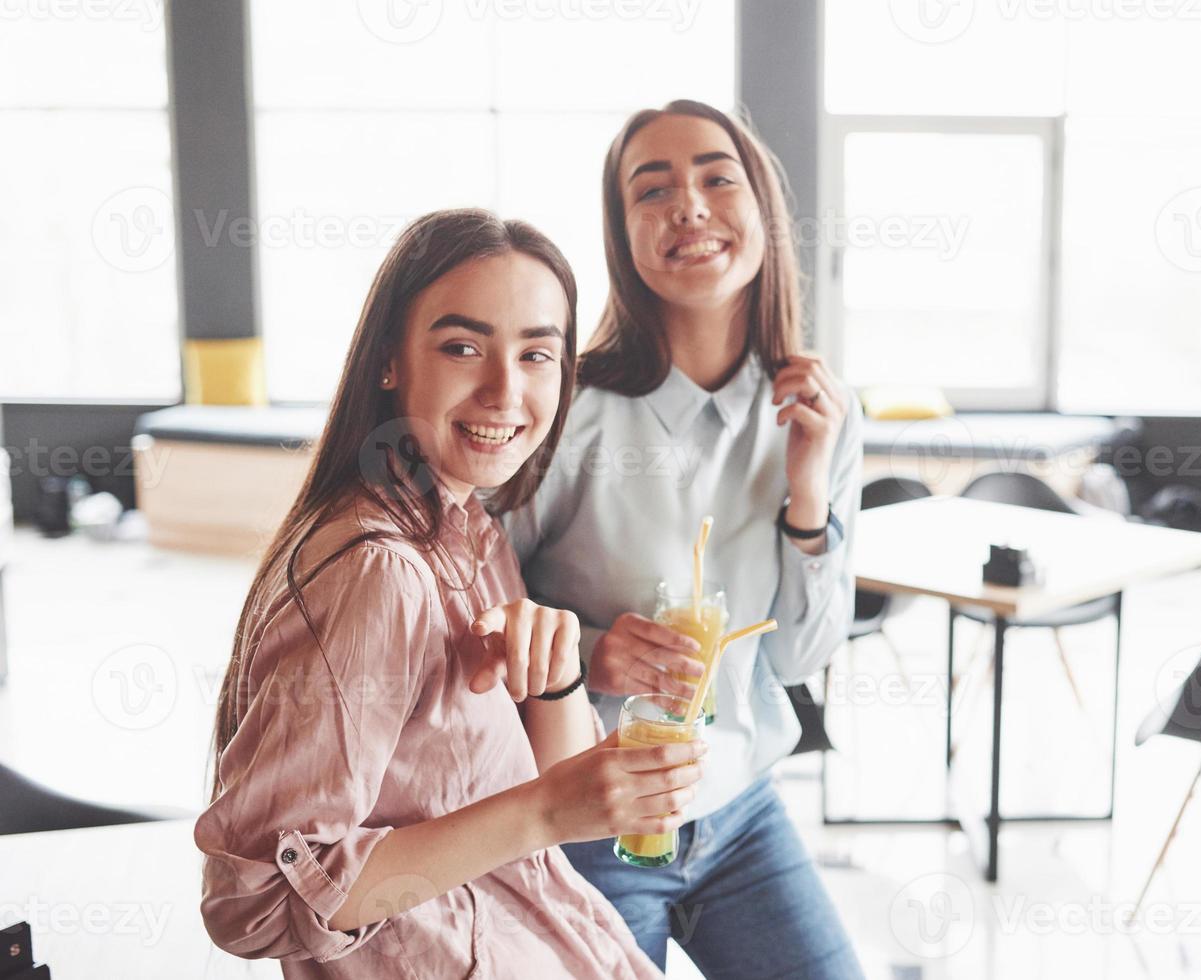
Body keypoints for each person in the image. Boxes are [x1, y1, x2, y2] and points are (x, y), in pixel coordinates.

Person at [196, 209, 703, 978]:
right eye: (463, 347)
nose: (506, 390)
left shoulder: (471, 531)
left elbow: (541, 814)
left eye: (537, 354)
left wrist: (559, 675)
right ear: (389, 359)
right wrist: (544, 808)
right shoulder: (377, 570)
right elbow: (255, 904)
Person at [502, 100, 864, 977]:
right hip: (592, 816)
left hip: (740, 809)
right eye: (652, 189)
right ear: (621, 234)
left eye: (715, 177)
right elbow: (477, 609)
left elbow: (797, 658)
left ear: (761, 209)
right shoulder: (564, 411)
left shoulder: (817, 414)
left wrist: (807, 492)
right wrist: (590, 656)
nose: (690, 207)